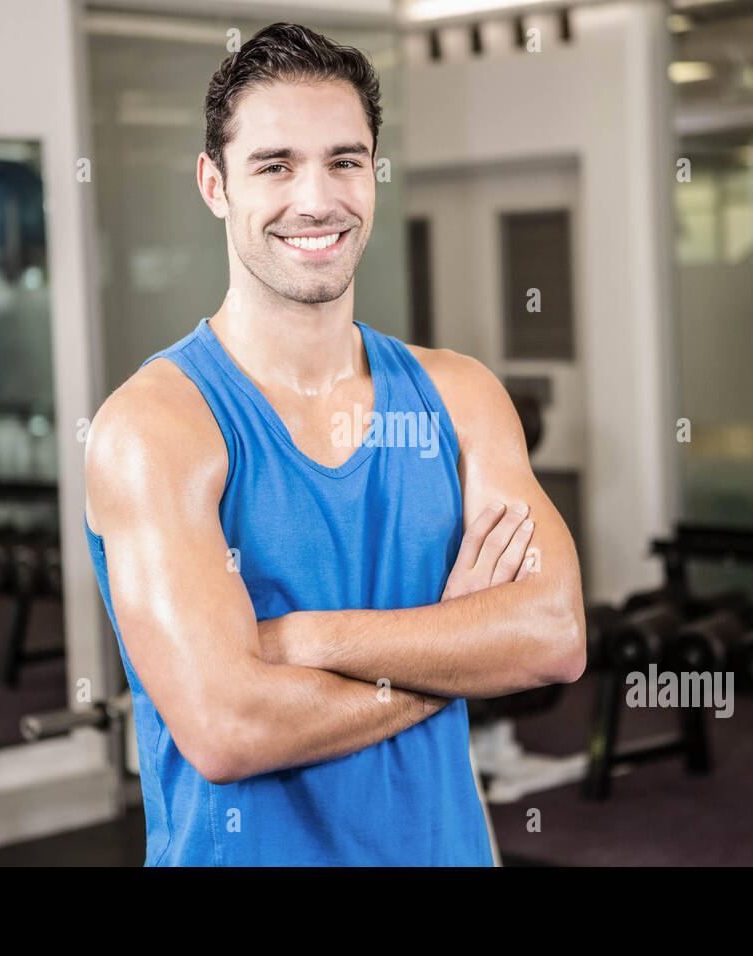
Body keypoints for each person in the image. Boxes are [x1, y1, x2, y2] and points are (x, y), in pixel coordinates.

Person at [83, 22, 586, 866]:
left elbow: (554, 636)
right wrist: (456, 648)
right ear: (215, 184)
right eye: (275, 165)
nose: (316, 198)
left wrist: (304, 640)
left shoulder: (460, 396)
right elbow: (230, 729)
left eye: (345, 161)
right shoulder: (157, 426)